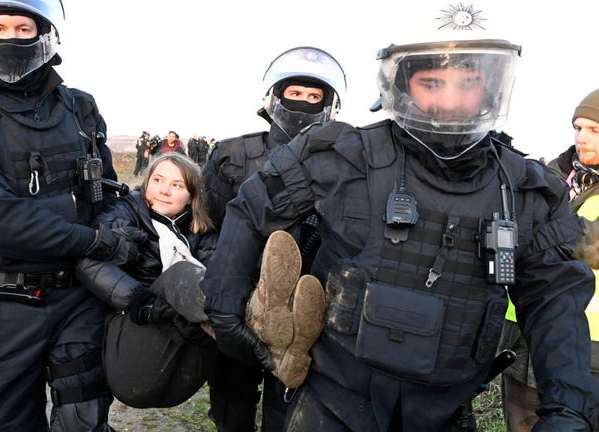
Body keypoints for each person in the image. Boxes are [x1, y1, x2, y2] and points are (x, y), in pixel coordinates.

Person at [200, 15, 599, 432]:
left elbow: (555, 301)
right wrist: (225, 308)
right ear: (404, 85)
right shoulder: (345, 155)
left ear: (492, 87)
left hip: (445, 409)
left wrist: (568, 409)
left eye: (467, 82)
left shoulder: (524, 189)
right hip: (333, 398)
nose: (450, 99)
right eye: (432, 83)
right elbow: (251, 206)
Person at [0, 1, 140, 430]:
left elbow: (108, 190)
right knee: (5, 420)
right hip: (10, 302)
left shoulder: (80, 108)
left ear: (44, 35)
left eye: (23, 27)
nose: (13, 38)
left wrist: (120, 226)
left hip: (83, 296)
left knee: (85, 416)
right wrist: (94, 241)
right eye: (0, 27)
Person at [200, 46, 346, 432]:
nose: (303, 105)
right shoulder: (232, 153)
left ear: (329, 104)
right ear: (274, 97)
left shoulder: (340, 163)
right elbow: (207, 223)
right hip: (238, 300)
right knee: (233, 404)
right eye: (294, 94)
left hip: (305, 313)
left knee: (290, 408)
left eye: (315, 97)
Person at [75, 152, 218, 409]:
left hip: (184, 370)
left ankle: (275, 344)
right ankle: (247, 322)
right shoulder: (124, 214)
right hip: (136, 364)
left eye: (177, 185)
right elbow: (86, 263)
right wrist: (141, 301)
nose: (164, 190)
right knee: (182, 274)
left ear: (192, 197)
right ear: (146, 182)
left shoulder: (203, 232)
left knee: (219, 276)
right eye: (158, 180)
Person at [499, 88, 599, 431]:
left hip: (589, 349)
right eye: (578, 127)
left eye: (594, 130)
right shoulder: (550, 175)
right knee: (521, 422)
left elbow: (594, 245)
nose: (581, 137)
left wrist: (534, 225)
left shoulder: (539, 185)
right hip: (521, 335)